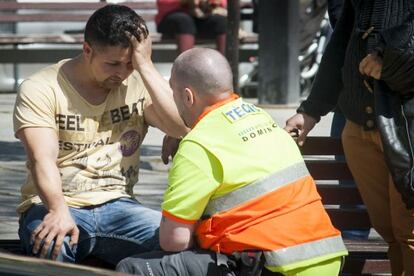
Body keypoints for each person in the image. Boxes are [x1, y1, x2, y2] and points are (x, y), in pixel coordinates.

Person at [116, 48, 348, 276]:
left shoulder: (198, 145)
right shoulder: (259, 116)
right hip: (326, 258)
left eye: (174, 95)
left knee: (132, 268)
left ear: (188, 97)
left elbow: (174, 241)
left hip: (274, 266)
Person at [13, 4, 188, 265]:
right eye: (113, 64)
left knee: (181, 246)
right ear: (87, 50)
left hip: (119, 205)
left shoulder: (138, 82)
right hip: (55, 203)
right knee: (52, 244)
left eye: (130, 63)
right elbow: (42, 159)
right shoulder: (40, 88)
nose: (122, 73)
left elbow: (180, 126)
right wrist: (58, 210)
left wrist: (146, 66)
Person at [285, 1, 414, 274]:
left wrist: (391, 62)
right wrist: (311, 111)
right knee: (391, 231)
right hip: (358, 124)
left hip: (406, 125)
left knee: (410, 233)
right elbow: (341, 42)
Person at [156, 0, 227, 54]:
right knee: (184, 21)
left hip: (202, 17)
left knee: (222, 22)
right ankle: (185, 69)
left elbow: (224, 3)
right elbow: (163, 3)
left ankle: (225, 68)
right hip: (173, 19)